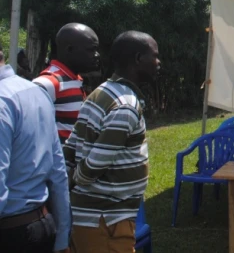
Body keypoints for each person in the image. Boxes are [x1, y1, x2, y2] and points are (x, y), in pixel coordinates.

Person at [64, 31, 159, 253]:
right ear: (138, 59)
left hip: (94, 218)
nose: (158, 63)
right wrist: (74, 181)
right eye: (155, 56)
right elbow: (95, 164)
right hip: (106, 220)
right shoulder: (125, 105)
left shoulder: (100, 93)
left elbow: (70, 146)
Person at [0, 45, 71, 252]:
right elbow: (58, 173)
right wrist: (62, 236)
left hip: (10, 235)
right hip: (42, 225)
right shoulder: (34, 91)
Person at [33, 23, 101, 144]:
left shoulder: (74, 79)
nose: (97, 55)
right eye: (91, 50)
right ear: (69, 50)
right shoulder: (48, 83)